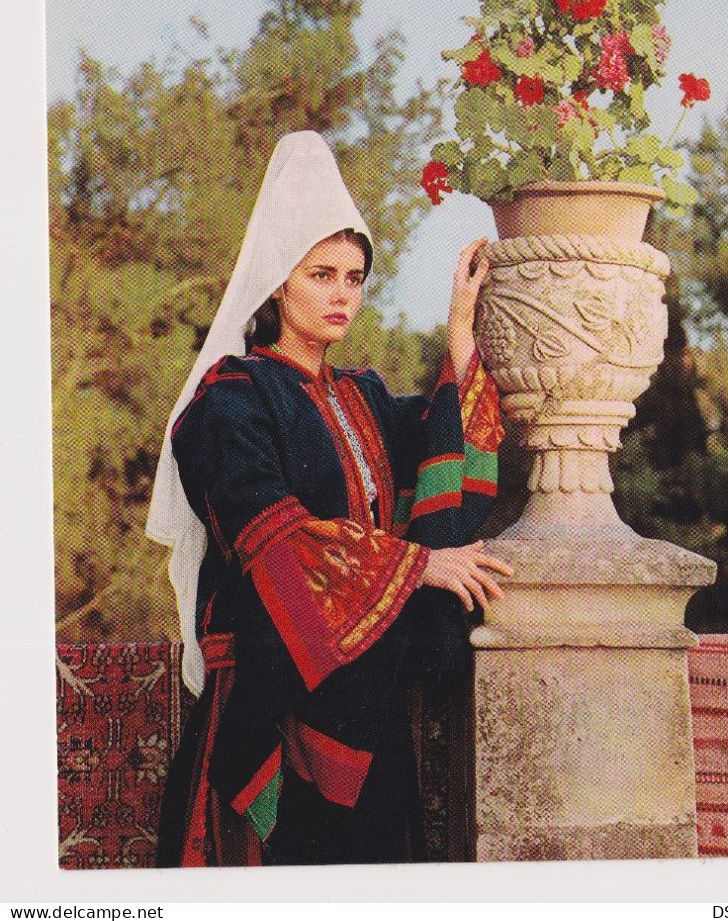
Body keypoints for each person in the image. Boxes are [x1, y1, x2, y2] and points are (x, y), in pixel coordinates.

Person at [147, 130, 510, 866]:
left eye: (354, 276)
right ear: (278, 282)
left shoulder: (363, 395)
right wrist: (417, 566)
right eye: (321, 274)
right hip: (271, 707)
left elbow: (450, 436)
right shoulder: (230, 399)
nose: (342, 292)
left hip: (366, 707)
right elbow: (272, 541)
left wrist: (461, 328)